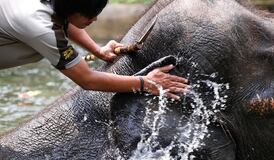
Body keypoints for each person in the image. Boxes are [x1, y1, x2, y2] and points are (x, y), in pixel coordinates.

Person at [0, 0, 188, 99]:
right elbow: (87, 80)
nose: (95, 20)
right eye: (90, 16)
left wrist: (98, 51)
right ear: (73, 10)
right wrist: (146, 83)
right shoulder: (39, 26)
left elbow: (62, 21)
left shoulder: (55, 6)